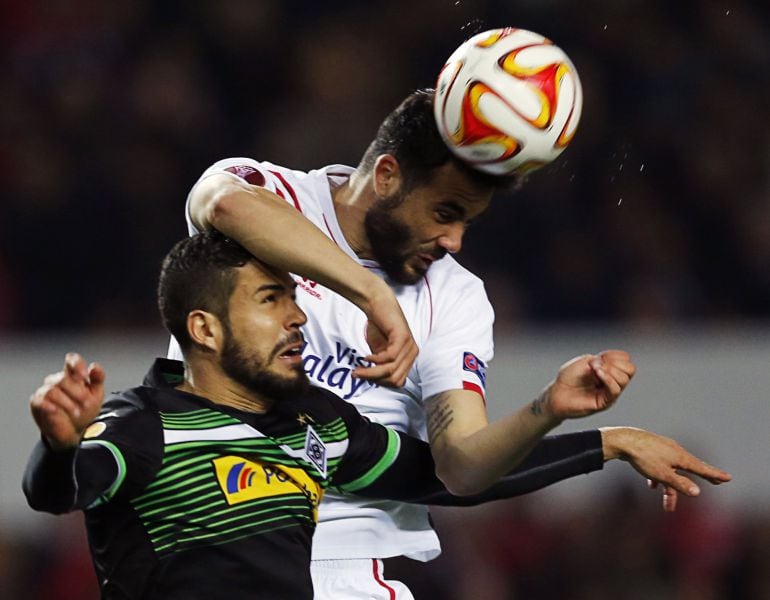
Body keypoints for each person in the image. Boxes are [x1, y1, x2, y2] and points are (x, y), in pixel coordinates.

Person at [172, 89, 732, 598]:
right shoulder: (274, 193)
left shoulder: (456, 297)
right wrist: (372, 294)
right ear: (387, 175)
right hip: (196, 545)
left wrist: (549, 410)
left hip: (338, 570)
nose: (454, 240)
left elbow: (459, 467)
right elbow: (222, 205)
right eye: (445, 213)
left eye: (469, 221)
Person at [23, 232, 675, 599]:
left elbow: (450, 476)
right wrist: (57, 446)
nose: (297, 316)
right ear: (206, 328)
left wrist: (599, 438)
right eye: (271, 300)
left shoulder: (317, 426)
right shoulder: (143, 426)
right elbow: (57, 491)